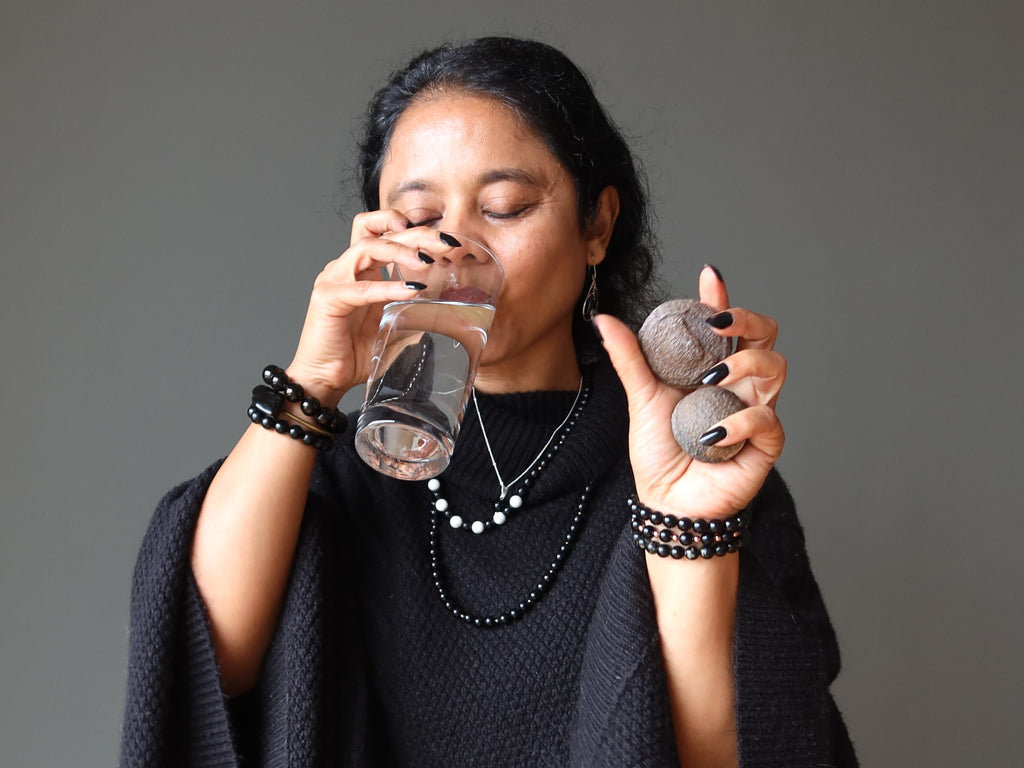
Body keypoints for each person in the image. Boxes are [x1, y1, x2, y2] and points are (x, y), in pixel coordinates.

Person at [120, 36, 857, 768]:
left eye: (504, 207)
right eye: (417, 219)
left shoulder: (690, 468)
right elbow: (207, 670)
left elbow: (724, 754)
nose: (454, 248)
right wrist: (311, 383)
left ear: (596, 225)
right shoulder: (329, 473)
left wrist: (685, 530)